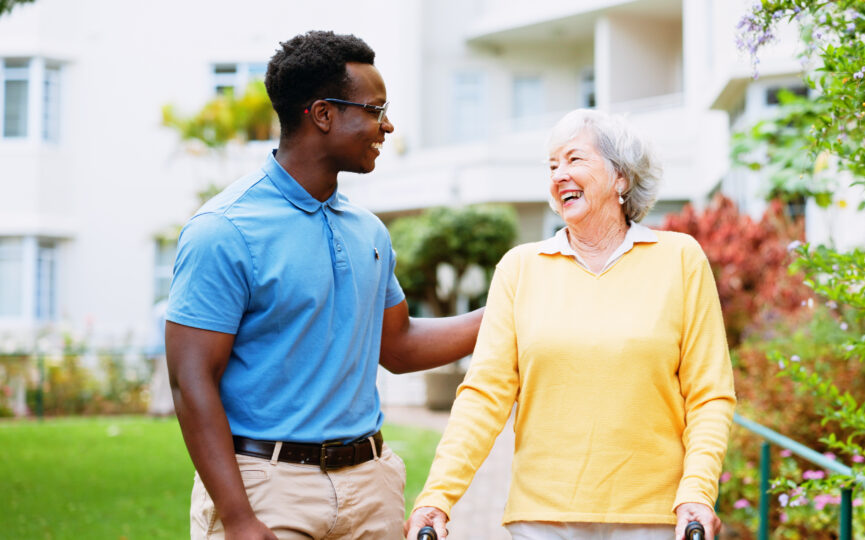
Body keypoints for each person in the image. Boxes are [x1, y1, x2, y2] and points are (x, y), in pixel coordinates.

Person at [165, 31, 483, 540]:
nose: (387, 125)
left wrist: (508, 309)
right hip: (268, 490)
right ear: (323, 114)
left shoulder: (368, 232)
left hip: (370, 487)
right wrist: (241, 519)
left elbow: (397, 346)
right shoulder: (224, 229)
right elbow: (191, 378)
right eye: (375, 110)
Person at [406, 109, 736, 540]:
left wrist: (696, 492)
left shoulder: (679, 259)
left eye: (575, 159)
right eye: (552, 165)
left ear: (621, 178)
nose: (560, 173)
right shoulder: (521, 268)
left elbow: (710, 393)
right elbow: (484, 395)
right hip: (543, 519)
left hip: (654, 519)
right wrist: (437, 498)